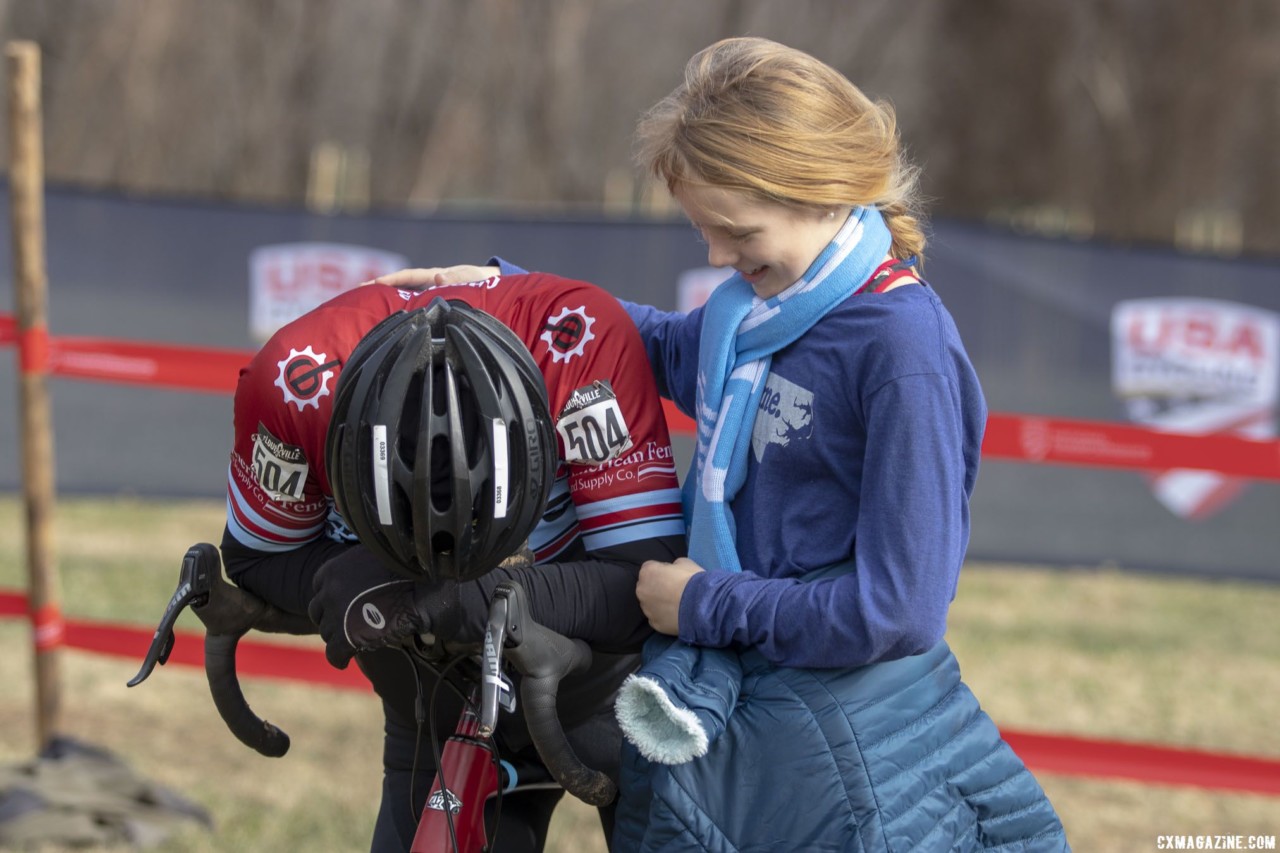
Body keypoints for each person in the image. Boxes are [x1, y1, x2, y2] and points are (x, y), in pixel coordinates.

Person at [380, 36, 1069, 851]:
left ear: (818, 188)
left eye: (735, 229)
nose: (714, 256)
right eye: (704, 230)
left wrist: (705, 603)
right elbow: (657, 346)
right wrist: (515, 296)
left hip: (848, 744)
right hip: (757, 709)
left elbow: (900, 610)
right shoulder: (754, 310)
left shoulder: (902, 351)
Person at [221, 274, 686, 852]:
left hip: (601, 681)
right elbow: (254, 559)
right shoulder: (294, 384)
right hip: (435, 698)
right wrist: (418, 592)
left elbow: (650, 584)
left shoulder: (579, 342)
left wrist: (431, 595)